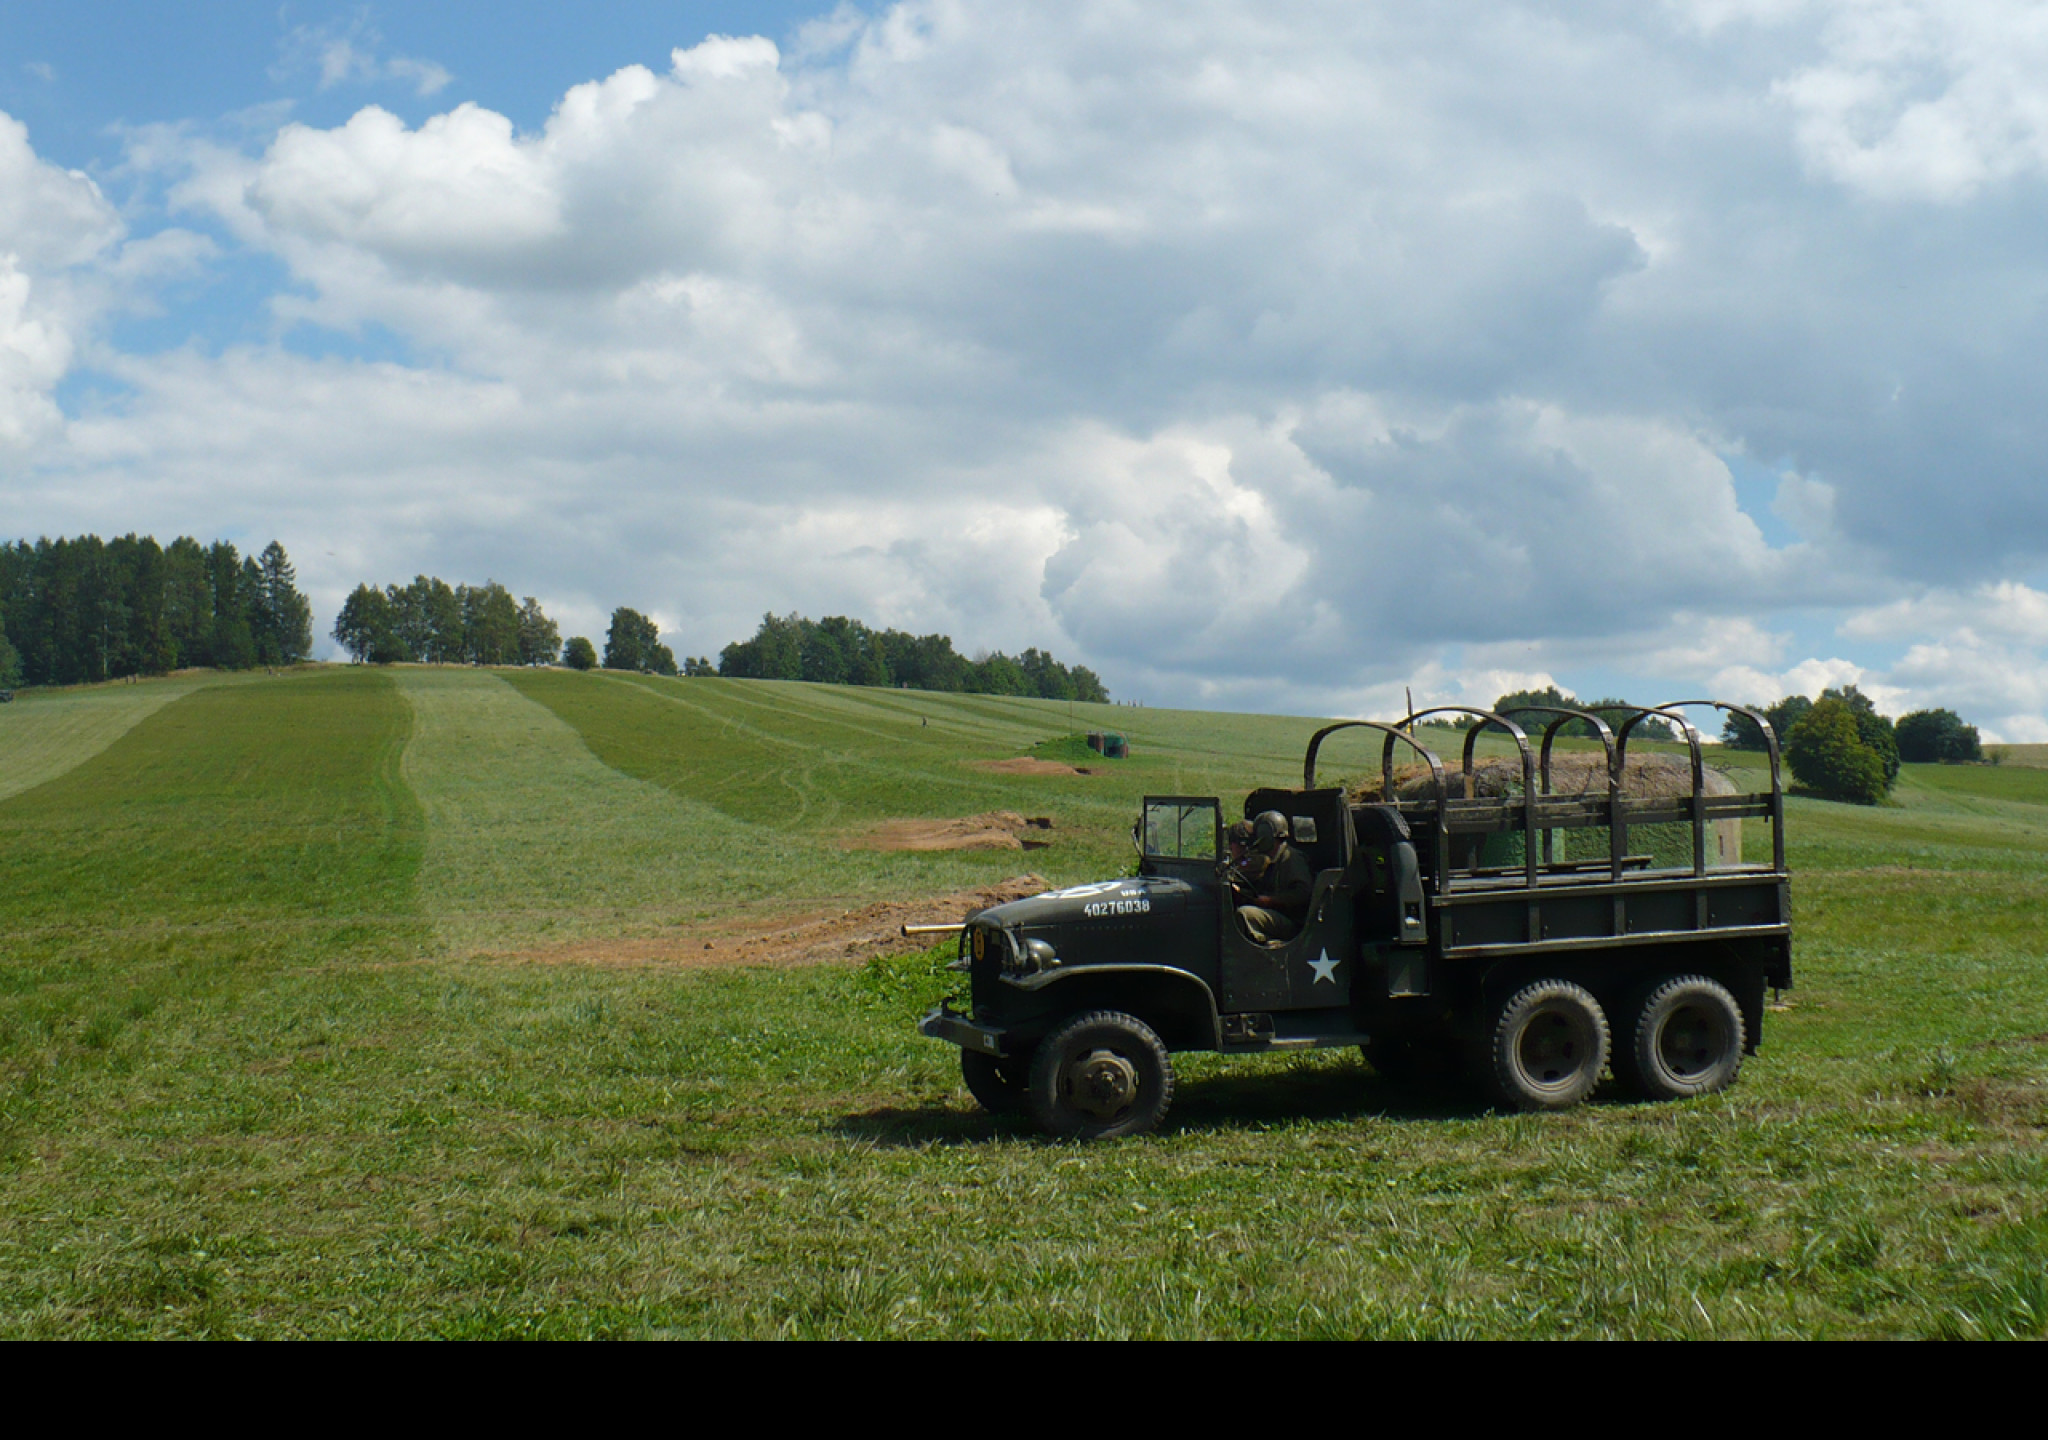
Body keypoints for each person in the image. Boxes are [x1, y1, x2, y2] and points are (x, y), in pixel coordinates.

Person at [1235, 810, 1313, 945]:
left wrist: (1271, 901)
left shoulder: (1292, 858)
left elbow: (1304, 894)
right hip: (1276, 914)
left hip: (1292, 920)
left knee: (1245, 914)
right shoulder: (1268, 859)